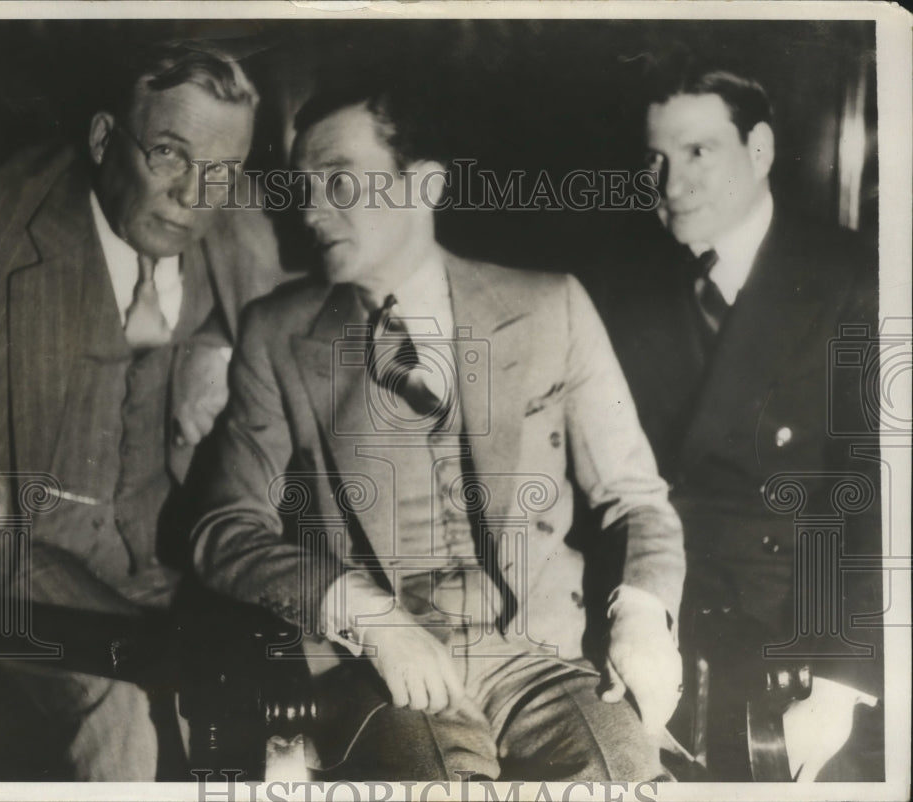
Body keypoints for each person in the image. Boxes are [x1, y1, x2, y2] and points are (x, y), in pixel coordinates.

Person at [190, 85, 685, 781]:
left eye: (338, 181)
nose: (309, 210)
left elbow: (635, 498)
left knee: (623, 780)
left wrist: (643, 613)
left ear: (421, 185)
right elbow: (224, 529)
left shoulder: (552, 306)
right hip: (378, 665)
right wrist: (365, 615)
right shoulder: (278, 332)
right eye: (303, 187)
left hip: (542, 655)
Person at [0, 40, 273, 780]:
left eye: (222, 169)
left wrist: (221, 345)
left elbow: (296, 337)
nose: (196, 194)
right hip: (1, 558)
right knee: (127, 702)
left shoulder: (239, 223)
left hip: (167, 570)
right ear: (103, 139)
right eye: (168, 154)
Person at [593, 64, 883, 780]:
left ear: (759, 150)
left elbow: (875, 491)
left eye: (697, 152)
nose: (671, 182)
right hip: (652, 614)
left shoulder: (853, 276)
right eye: (655, 159)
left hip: (801, 630)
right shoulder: (617, 284)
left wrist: (844, 681)